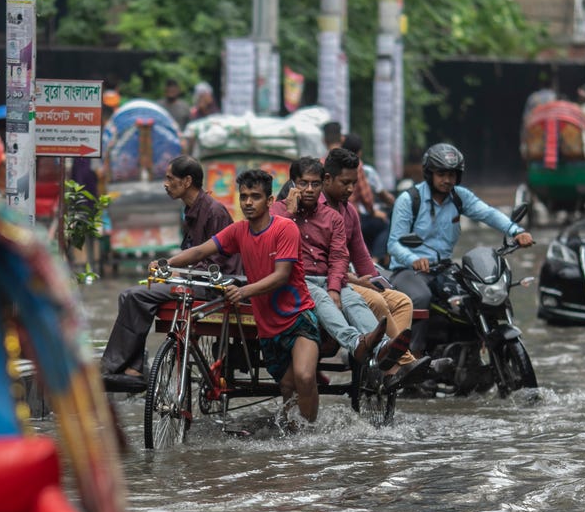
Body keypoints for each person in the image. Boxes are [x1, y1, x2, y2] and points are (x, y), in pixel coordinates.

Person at [161, 169, 321, 424]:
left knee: (303, 377)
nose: (248, 202)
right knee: (288, 386)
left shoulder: (285, 228)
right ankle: (296, 435)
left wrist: (243, 291)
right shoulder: (238, 231)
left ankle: (312, 436)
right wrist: (165, 265)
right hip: (268, 327)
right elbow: (201, 250)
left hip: (298, 317)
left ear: (269, 201)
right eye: (244, 196)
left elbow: (282, 275)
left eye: (255, 197)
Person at [100, 156, 239, 390]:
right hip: (195, 278)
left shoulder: (214, 211)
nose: (165, 183)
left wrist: (177, 272)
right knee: (130, 295)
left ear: (186, 181)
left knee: (135, 295)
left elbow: (215, 263)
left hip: (212, 286)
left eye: (169, 178)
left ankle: (124, 368)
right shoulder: (192, 209)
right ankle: (131, 367)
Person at [387, 143, 535, 357]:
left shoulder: (459, 197)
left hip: (444, 269)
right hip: (409, 271)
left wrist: (516, 231)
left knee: (477, 294)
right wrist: (413, 259)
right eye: (442, 174)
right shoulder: (409, 200)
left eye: (453, 174)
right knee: (420, 297)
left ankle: (474, 350)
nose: (447, 180)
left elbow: (488, 214)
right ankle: (413, 357)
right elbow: (394, 243)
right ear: (429, 173)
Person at [320, 148, 431, 389]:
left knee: (402, 301)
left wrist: (382, 282)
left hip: (351, 279)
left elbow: (362, 257)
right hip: (330, 283)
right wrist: (360, 282)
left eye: (353, 183)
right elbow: (323, 263)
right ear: (327, 179)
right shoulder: (314, 209)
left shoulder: (349, 211)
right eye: (345, 183)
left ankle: (390, 367)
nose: (351, 189)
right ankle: (401, 364)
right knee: (378, 304)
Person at [270, 157, 390, 371]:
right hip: (296, 280)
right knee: (323, 299)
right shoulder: (277, 213)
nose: (309, 189)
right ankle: (354, 342)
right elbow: (271, 244)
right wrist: (290, 213)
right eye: (302, 183)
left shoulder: (333, 218)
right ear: (292, 185)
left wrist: (335, 287)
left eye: (315, 184)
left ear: (322, 185)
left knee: (353, 300)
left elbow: (339, 257)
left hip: (327, 277)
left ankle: (384, 345)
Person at [341, 134, 393, 266]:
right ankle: (374, 261)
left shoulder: (331, 163)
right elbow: (367, 197)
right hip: (351, 216)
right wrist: (374, 212)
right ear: (359, 152)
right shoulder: (357, 166)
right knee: (385, 224)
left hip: (336, 215)